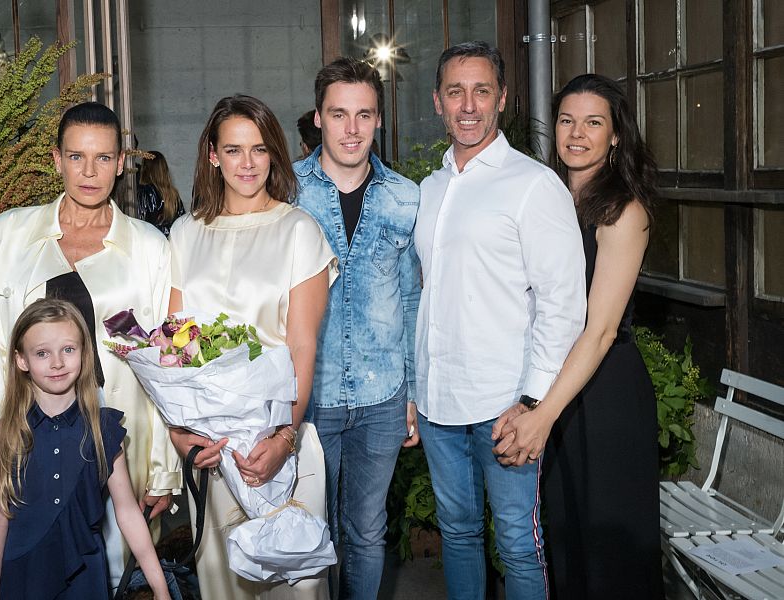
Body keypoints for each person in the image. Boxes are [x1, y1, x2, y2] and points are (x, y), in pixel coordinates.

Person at [0, 102, 180, 598]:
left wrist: (164, 469)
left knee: (111, 573)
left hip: (115, 440)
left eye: (103, 158)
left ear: (122, 161)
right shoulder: (8, 234)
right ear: (56, 159)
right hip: (24, 441)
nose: (89, 172)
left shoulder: (149, 247)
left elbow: (164, 362)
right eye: (77, 157)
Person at [414, 41, 586, 600]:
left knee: (516, 542)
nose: (469, 105)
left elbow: (563, 304)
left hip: (505, 404)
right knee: (458, 534)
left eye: (481, 91)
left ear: (502, 100)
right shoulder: (429, 189)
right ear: (437, 101)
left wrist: (535, 400)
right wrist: (415, 388)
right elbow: (427, 295)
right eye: (456, 91)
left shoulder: (534, 185)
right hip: (439, 403)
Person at [491, 73, 664, 599]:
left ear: (615, 136)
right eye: (567, 120)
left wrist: (542, 414)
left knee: (607, 548)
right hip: (552, 383)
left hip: (603, 393)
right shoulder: (545, 197)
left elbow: (602, 328)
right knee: (559, 541)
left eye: (594, 123)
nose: (577, 134)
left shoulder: (623, 210)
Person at [167, 94, 337, 600]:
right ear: (213, 155)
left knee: (298, 587)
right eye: (234, 150)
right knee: (226, 589)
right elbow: (176, 346)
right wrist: (180, 434)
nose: (248, 163)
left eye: (259, 150)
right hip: (212, 451)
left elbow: (303, 346)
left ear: (274, 155)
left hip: (277, 442)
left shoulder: (298, 230)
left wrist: (283, 439)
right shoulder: (185, 233)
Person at [294, 57, 421, 600]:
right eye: (339, 114)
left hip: (382, 395)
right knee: (308, 534)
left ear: (377, 120)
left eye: (364, 114)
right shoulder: (285, 192)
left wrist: (413, 392)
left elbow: (413, 298)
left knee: (367, 535)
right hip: (309, 395)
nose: (352, 129)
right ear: (318, 118)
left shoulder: (404, 196)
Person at [0, 299, 171, 600]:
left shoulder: (103, 429)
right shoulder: (4, 434)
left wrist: (161, 590)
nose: (57, 362)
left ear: (84, 353)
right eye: (42, 353)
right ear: (21, 360)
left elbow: (127, 512)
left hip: (85, 577)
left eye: (68, 349)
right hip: (22, 577)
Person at [137, 150, 185, 236]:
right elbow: (182, 224)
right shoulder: (173, 194)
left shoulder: (144, 192)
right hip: (172, 243)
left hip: (152, 244)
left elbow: (140, 223)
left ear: (145, 169)